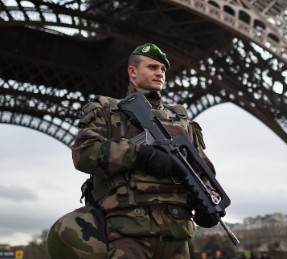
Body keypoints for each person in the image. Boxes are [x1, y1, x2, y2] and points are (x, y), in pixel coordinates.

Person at [47, 43, 219, 259]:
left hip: (177, 231)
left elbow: (202, 168)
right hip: (127, 229)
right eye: (153, 67)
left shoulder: (181, 120)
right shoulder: (106, 111)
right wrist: (141, 154)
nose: (160, 73)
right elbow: (84, 153)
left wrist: (208, 200)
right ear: (132, 71)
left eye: (163, 70)